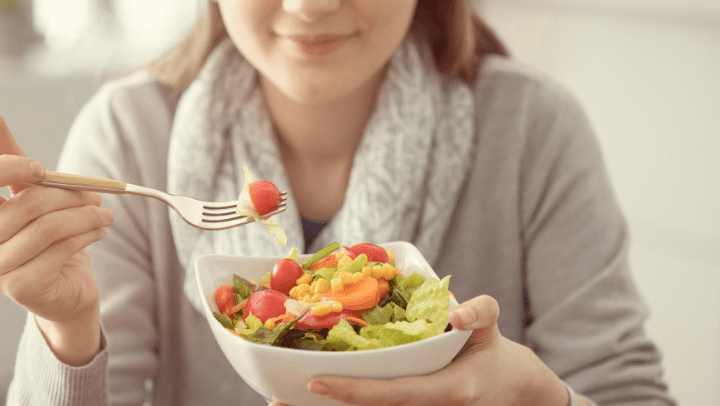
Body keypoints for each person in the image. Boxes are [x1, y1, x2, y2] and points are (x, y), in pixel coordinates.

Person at [1, 1, 676, 405]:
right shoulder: (126, 136)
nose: (311, 4)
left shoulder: (533, 130)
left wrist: (538, 398)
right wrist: (68, 332)